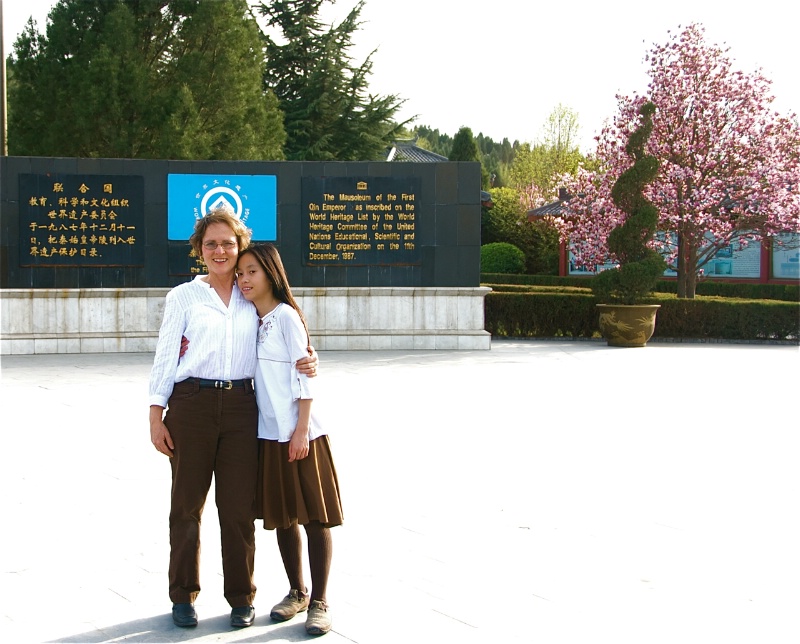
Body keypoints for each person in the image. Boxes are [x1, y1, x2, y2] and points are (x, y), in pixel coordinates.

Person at [148, 207, 318, 629]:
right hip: (191, 406)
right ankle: (183, 594)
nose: (220, 251)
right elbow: (166, 357)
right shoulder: (183, 297)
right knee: (186, 507)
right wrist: (156, 415)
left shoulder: (253, 296)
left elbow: (286, 334)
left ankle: (242, 596)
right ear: (199, 250)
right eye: (211, 244)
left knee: (238, 508)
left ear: (240, 245)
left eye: (228, 243)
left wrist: (309, 358)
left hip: (245, 408)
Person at [235, 243, 343, 637]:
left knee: (314, 517)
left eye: (252, 272)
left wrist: (301, 431)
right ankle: (296, 592)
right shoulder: (251, 317)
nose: (244, 280)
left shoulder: (285, 317)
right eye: (241, 274)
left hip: (301, 434)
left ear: (271, 274)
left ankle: (320, 600)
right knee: (282, 518)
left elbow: (306, 376)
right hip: (268, 434)